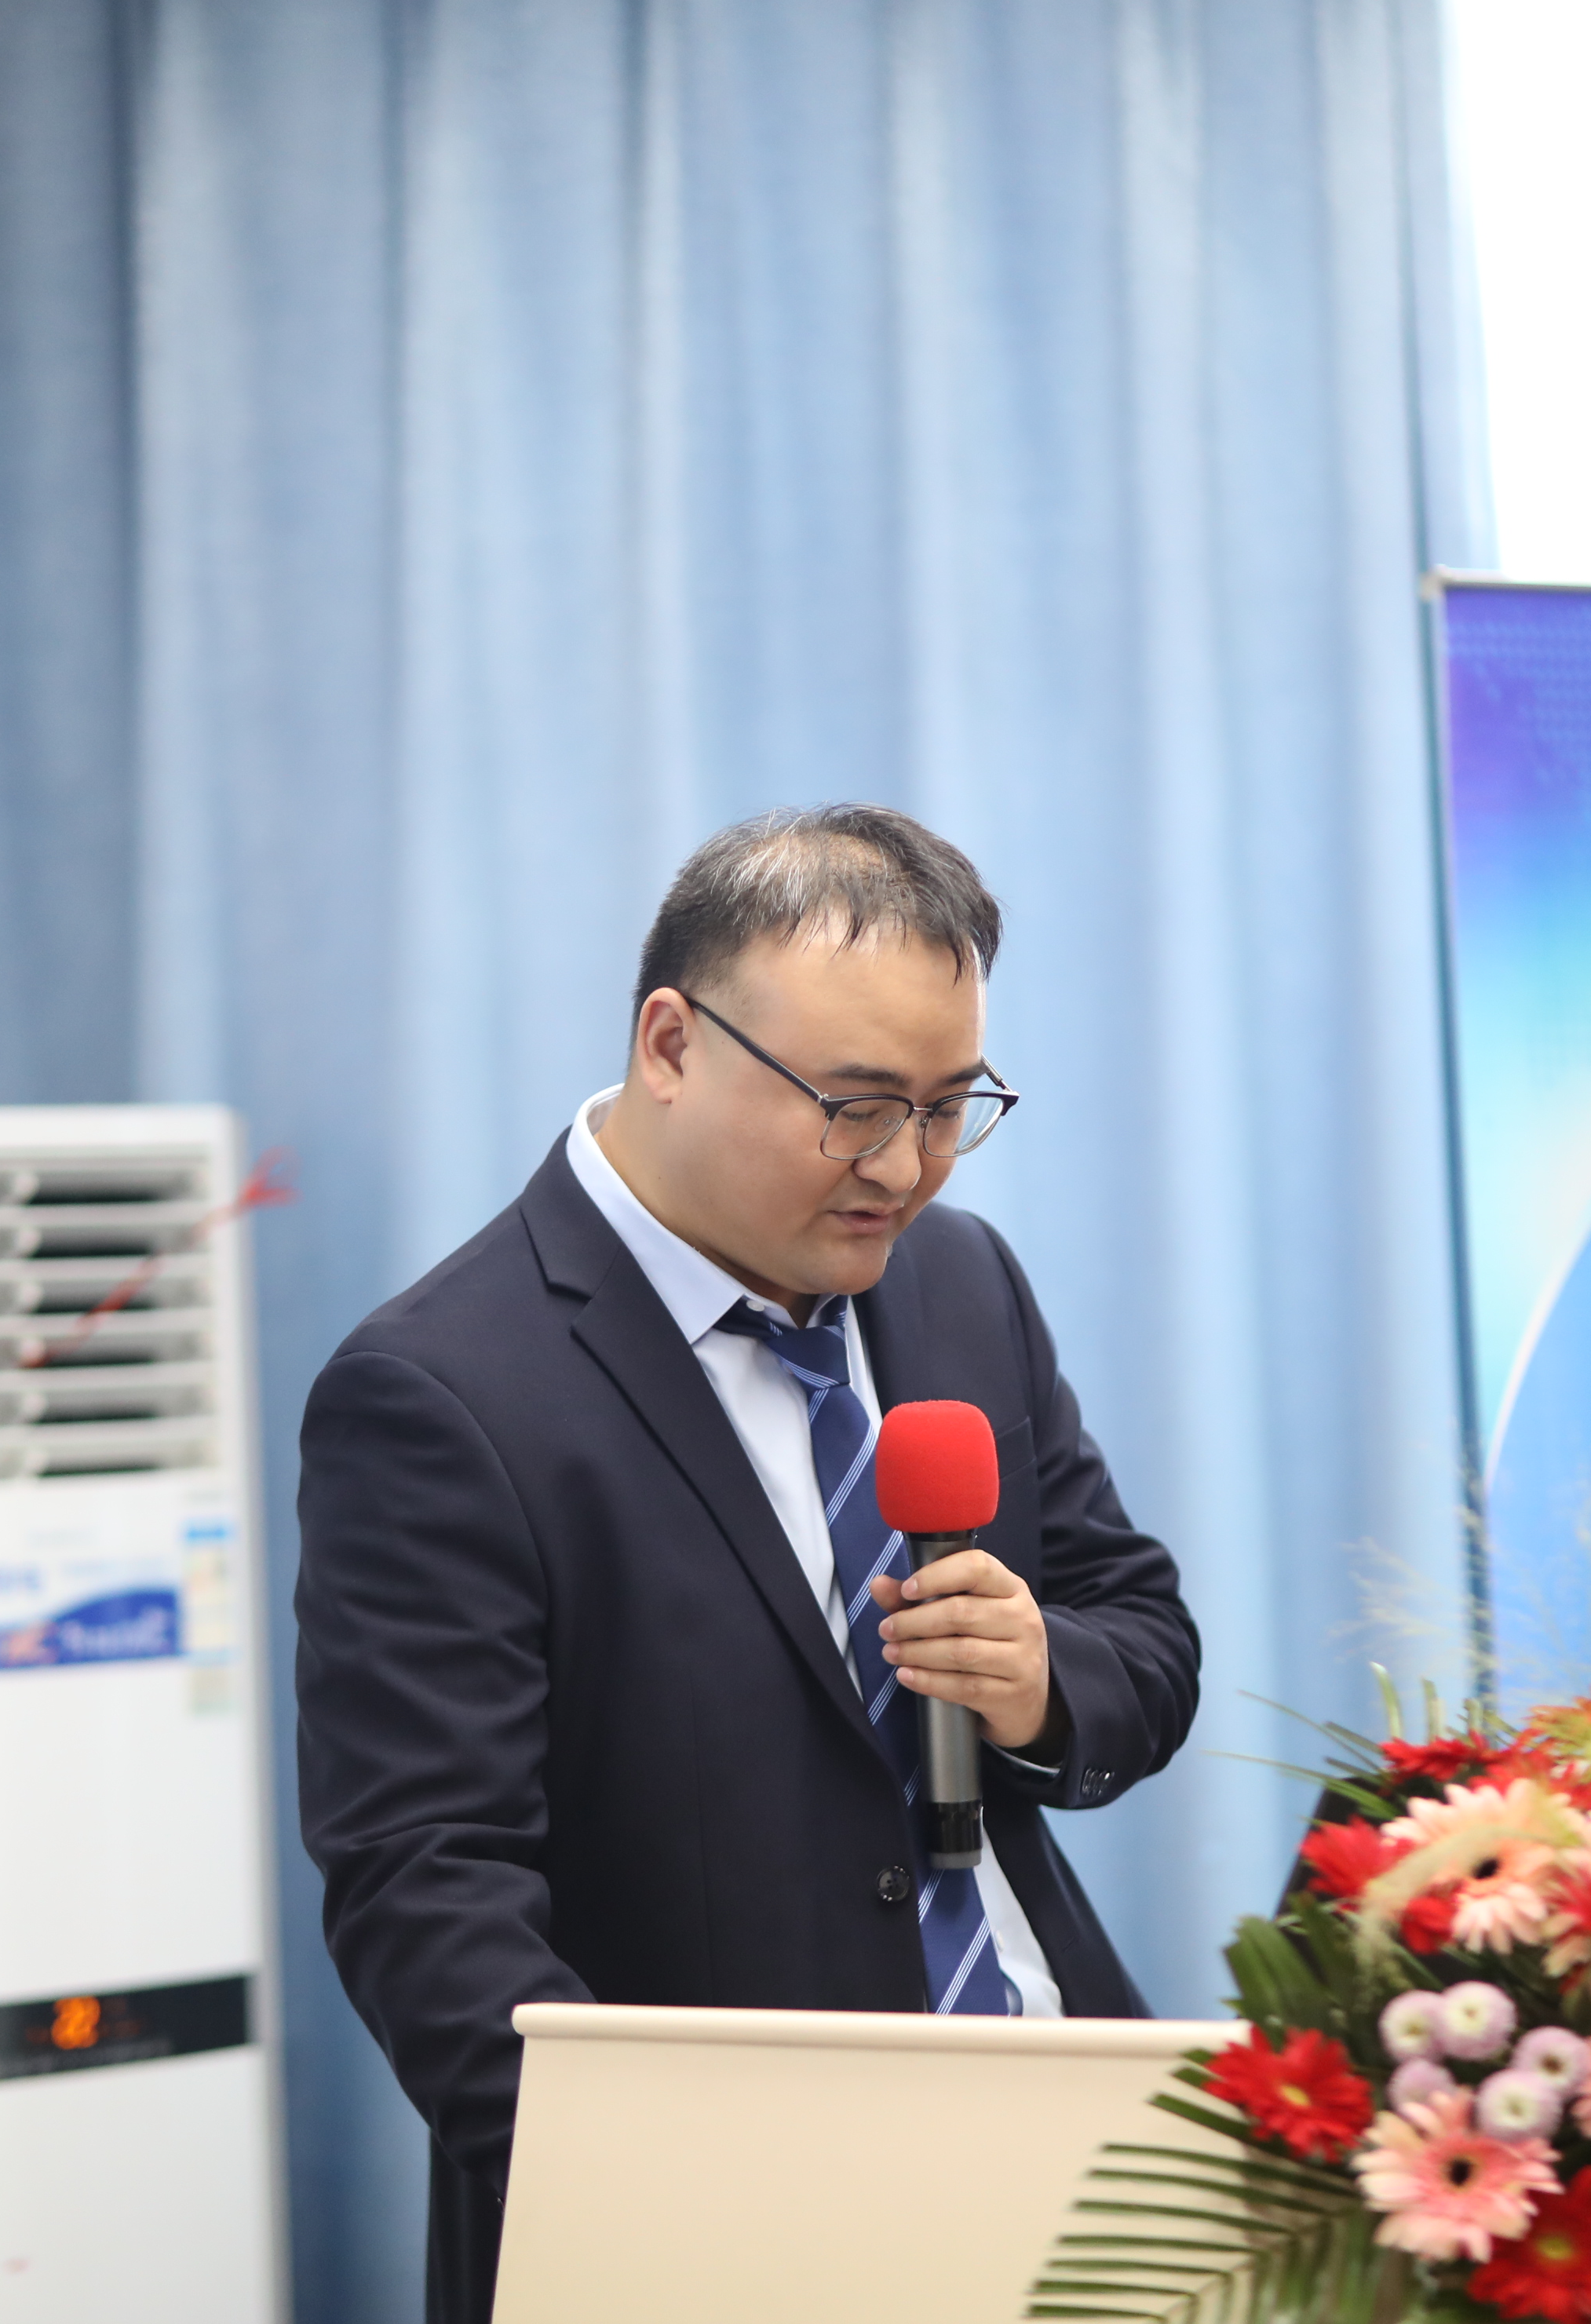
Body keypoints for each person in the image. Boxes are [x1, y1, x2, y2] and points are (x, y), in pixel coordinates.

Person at [294, 804, 1202, 2321]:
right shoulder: (444, 1390)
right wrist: (682, 2220)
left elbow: (1144, 1635)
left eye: (950, 1107)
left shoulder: (961, 1283)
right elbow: (425, 1893)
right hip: (717, 2226)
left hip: (1064, 2150)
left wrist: (1043, 1682)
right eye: (854, 1107)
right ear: (672, 1043)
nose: (906, 1168)